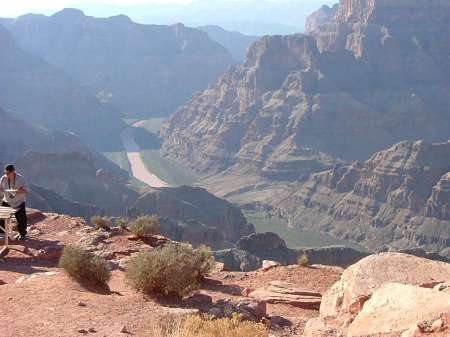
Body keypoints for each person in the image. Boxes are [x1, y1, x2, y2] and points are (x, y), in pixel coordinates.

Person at [0, 164, 28, 241]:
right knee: (2, 217)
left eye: (8, 173)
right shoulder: (3, 178)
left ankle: (22, 234)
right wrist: (2, 191)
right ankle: (2, 233)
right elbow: (1, 188)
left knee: (21, 219)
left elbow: (26, 191)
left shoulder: (21, 179)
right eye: (5, 173)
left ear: (13, 172)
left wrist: (17, 191)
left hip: (18, 202)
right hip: (7, 201)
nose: (6, 174)